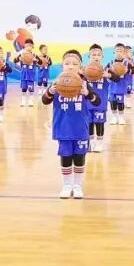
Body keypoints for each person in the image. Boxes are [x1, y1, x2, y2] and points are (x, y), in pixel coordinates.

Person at [43, 50, 100, 199]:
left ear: (80, 67)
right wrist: (50, 91)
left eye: (75, 64)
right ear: (62, 66)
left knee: (79, 158)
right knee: (66, 157)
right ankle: (67, 185)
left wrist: (88, 94)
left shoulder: (84, 84)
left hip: (80, 129)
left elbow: (97, 101)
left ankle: (77, 186)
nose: (70, 66)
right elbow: (45, 100)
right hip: (63, 128)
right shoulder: (57, 83)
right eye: (67, 63)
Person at [85, 44, 110, 153]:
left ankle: (100, 143)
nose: (96, 57)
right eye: (93, 55)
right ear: (89, 56)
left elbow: (117, 78)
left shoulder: (107, 70)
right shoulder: (84, 70)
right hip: (87, 103)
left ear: (102, 57)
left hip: (100, 103)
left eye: (98, 55)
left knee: (99, 123)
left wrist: (109, 76)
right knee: (89, 123)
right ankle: (91, 143)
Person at [15, 40, 39, 108]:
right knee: (24, 89)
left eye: (30, 46)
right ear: (25, 46)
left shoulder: (34, 55)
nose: (28, 47)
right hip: (23, 75)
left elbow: (40, 62)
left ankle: (30, 101)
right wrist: (18, 58)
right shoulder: (22, 54)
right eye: (27, 45)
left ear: (32, 47)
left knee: (31, 89)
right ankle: (23, 101)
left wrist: (36, 60)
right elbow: (15, 60)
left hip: (31, 75)